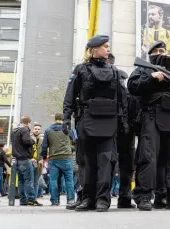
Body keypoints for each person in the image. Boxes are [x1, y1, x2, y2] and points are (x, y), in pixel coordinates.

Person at [63, 35, 128, 212]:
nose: (108, 49)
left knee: (106, 163)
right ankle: (87, 199)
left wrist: (124, 122)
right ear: (94, 49)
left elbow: (122, 99)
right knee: (87, 162)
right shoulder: (81, 69)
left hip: (108, 122)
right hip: (86, 120)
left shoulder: (114, 71)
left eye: (109, 46)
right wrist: (66, 118)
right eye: (105, 46)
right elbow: (70, 95)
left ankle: (102, 200)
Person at [128, 40, 170, 211]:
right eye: (156, 51)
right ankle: (143, 196)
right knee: (148, 158)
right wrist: (151, 78)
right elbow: (132, 86)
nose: (160, 53)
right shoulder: (143, 69)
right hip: (151, 116)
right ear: (151, 55)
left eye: (162, 50)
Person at [108, 55, 138, 209]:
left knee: (115, 166)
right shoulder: (127, 95)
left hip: (120, 135)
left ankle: (116, 197)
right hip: (125, 136)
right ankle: (124, 198)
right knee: (124, 167)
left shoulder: (120, 95)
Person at [41, 113, 75, 206]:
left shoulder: (48, 130)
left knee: (53, 180)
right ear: (63, 119)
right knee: (69, 179)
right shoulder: (67, 129)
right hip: (66, 157)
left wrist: (44, 157)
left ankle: (55, 201)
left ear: (55, 119)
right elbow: (75, 140)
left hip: (54, 158)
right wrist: (71, 149)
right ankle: (71, 200)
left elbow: (44, 146)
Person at [12, 116, 41, 206]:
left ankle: (23, 200)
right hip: (25, 158)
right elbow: (26, 141)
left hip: (17, 159)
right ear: (28, 122)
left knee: (21, 181)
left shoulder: (15, 130)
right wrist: (33, 140)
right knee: (29, 180)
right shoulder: (25, 129)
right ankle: (31, 199)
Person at [31, 123, 44, 199]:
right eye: (35, 129)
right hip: (30, 161)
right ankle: (29, 198)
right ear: (33, 129)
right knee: (29, 181)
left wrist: (42, 159)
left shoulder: (42, 140)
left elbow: (44, 151)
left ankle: (34, 198)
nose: (37, 130)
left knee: (36, 181)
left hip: (39, 163)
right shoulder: (29, 138)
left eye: (38, 129)